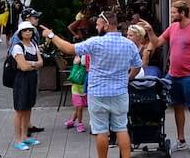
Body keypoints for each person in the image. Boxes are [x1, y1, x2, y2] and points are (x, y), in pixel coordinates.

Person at [41, 10, 143, 158]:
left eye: (98, 24)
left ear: (106, 25)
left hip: (98, 93)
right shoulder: (129, 45)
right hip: (120, 93)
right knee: (121, 128)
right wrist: (127, 78)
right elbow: (137, 65)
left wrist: (51, 35)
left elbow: (68, 49)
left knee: (101, 131)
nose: (96, 27)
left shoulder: (95, 42)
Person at [157, 0, 190, 156]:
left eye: (174, 12)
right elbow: (158, 42)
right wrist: (149, 33)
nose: (171, 15)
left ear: (182, 13)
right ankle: (181, 140)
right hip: (173, 75)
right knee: (177, 107)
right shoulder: (172, 27)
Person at [10, 21, 43, 151]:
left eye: (30, 30)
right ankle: (18, 140)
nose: (28, 32)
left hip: (32, 79)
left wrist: (31, 64)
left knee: (28, 107)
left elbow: (41, 62)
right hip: (21, 81)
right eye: (25, 30)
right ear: (20, 33)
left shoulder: (34, 44)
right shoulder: (18, 47)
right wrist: (34, 64)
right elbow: (22, 67)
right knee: (19, 110)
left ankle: (25, 136)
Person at [65, 54, 89, 133]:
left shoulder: (84, 66)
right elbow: (73, 77)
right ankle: (80, 123)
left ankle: (72, 120)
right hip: (76, 90)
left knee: (78, 108)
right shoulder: (76, 64)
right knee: (80, 107)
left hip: (83, 89)